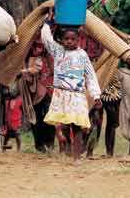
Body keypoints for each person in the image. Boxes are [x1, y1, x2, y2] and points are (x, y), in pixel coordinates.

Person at [41, 18, 102, 162]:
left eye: (72, 39)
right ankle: (68, 146)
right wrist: (48, 23)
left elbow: (90, 75)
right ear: (61, 40)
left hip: (76, 94)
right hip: (61, 93)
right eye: (66, 39)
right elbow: (46, 39)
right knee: (64, 125)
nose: (69, 41)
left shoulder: (82, 55)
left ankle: (76, 157)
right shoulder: (57, 51)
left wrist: (96, 95)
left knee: (77, 125)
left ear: (78, 40)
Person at [21, 38, 56, 153]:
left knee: (48, 115)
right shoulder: (25, 57)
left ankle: (49, 143)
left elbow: (43, 69)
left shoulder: (48, 57)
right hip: (32, 91)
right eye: (36, 46)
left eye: (41, 47)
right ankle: (39, 144)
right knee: (35, 118)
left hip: (47, 88)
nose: (38, 49)